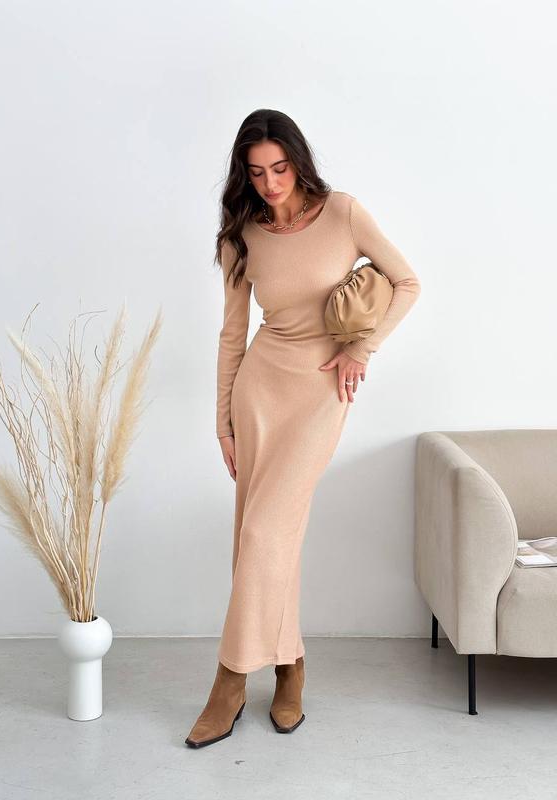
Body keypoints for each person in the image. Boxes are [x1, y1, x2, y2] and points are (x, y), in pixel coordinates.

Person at [185, 109, 421, 748]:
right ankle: (289, 667)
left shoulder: (343, 213)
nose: (270, 183)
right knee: (260, 535)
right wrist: (223, 422)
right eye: (257, 172)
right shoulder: (242, 235)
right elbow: (233, 333)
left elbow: (407, 282)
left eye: (280, 168)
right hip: (259, 389)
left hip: (322, 390)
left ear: (298, 161)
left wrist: (361, 348)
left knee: (265, 532)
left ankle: (229, 681)